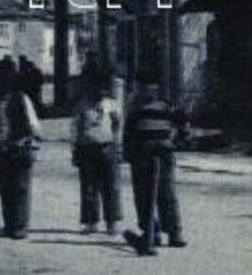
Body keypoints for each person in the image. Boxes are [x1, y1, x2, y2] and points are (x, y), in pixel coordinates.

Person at [121, 79, 187, 256]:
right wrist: (129, 154)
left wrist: (176, 143)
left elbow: (183, 124)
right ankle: (151, 232)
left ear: (157, 89)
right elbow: (128, 133)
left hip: (164, 156)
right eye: (143, 87)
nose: (146, 91)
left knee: (167, 195)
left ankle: (174, 232)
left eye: (150, 87)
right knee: (143, 196)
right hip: (142, 156)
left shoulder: (167, 107)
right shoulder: (135, 109)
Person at [0, 58, 39, 239]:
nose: (1, 84)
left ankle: (20, 227)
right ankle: (9, 225)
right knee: (5, 190)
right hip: (1, 150)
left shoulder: (21, 98)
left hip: (20, 148)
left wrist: (27, 140)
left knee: (21, 189)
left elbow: (33, 126)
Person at [71, 79, 124, 234]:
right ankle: (90, 221)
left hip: (108, 148)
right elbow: (74, 129)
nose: (100, 93)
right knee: (88, 187)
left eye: (104, 90)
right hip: (87, 149)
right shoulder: (81, 106)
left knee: (111, 187)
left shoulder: (113, 105)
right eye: (97, 89)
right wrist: (74, 150)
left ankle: (112, 222)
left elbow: (118, 127)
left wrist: (118, 147)